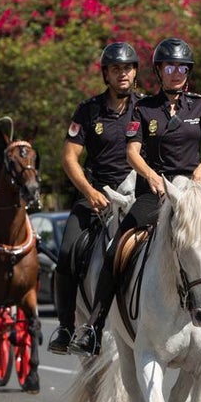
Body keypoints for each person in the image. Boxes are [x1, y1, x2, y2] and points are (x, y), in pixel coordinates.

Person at [67, 37, 201, 360]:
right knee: (118, 248)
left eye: (181, 68)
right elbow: (132, 152)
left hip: (193, 194)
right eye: (169, 67)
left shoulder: (200, 106)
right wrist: (149, 175)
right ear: (159, 71)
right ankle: (93, 327)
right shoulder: (143, 108)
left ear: (187, 72)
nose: (176, 73)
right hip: (156, 193)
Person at [47, 41, 143, 355]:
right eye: (116, 69)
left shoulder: (146, 108)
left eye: (128, 68)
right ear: (106, 74)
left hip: (137, 197)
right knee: (67, 254)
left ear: (135, 72)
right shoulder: (88, 111)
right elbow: (70, 158)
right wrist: (89, 192)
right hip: (97, 197)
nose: (123, 74)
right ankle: (64, 328)